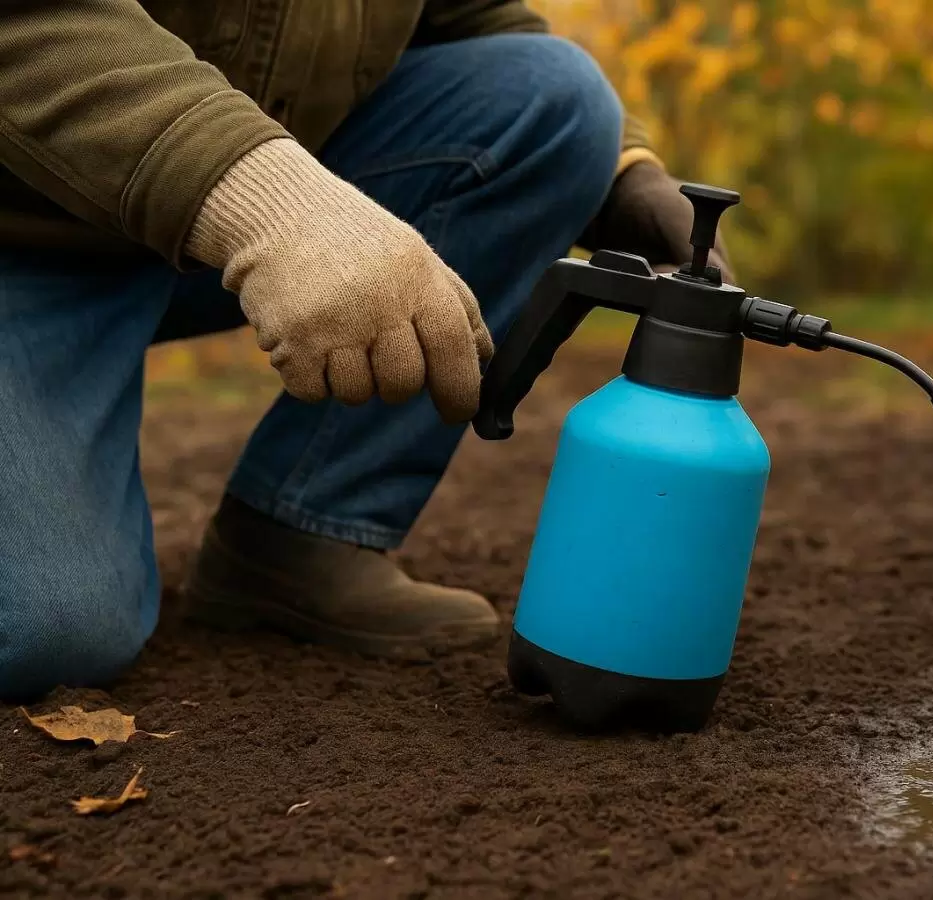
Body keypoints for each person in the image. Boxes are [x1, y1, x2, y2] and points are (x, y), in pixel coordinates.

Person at [0, 1, 732, 702]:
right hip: (30, 233)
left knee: (559, 100)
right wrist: (269, 203)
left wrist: (625, 172)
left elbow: (474, 18)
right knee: (49, 626)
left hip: (207, 223)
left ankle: (300, 532)